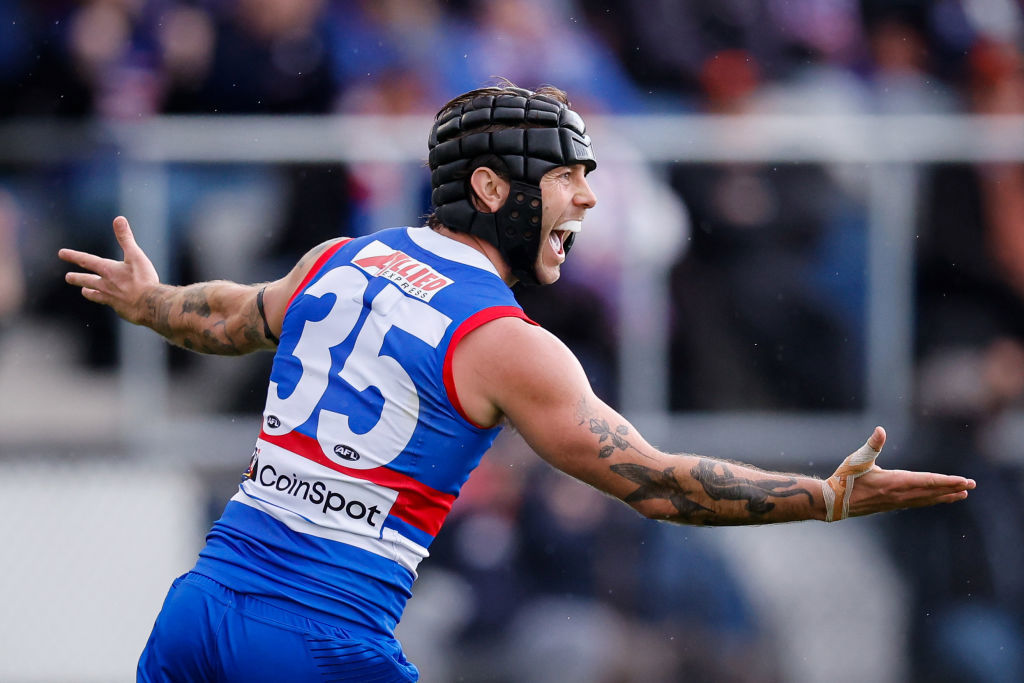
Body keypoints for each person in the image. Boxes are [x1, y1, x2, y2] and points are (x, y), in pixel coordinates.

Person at [59, 84, 976, 683]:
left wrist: (151, 301)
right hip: (316, 641)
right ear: (493, 189)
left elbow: (228, 315)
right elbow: (655, 484)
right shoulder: (503, 341)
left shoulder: (342, 257)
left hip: (200, 606)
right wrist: (818, 495)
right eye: (570, 178)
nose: (584, 201)